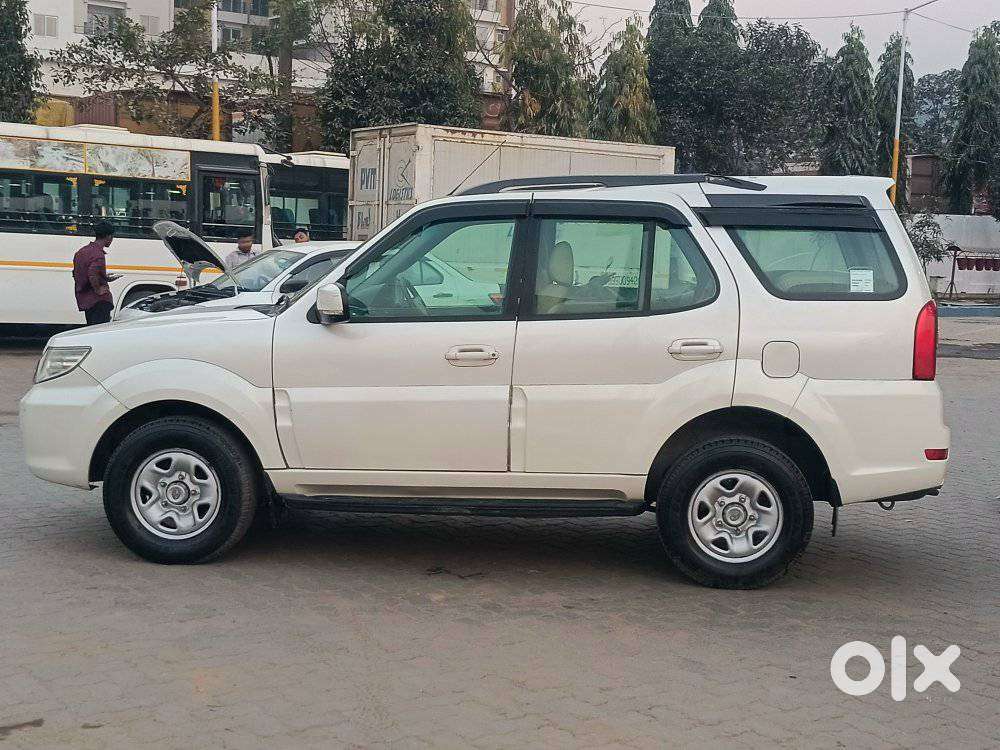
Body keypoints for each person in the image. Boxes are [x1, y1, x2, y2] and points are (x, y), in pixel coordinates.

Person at [73, 221, 119, 326]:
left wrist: (105, 278)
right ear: (109, 237)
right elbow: (92, 273)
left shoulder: (81, 252)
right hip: (98, 301)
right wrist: (98, 289)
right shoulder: (98, 255)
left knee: (91, 329)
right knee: (99, 331)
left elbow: (80, 272)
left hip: (85, 299)